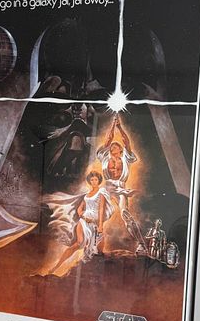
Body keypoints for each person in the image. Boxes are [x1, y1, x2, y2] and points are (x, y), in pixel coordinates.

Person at [97, 115, 147, 254]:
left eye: (116, 145)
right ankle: (95, 245)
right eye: (112, 146)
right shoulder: (105, 156)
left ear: (120, 149)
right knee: (98, 214)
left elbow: (126, 141)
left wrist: (119, 127)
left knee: (125, 214)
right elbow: (108, 139)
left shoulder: (125, 156)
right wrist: (113, 124)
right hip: (107, 187)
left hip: (120, 187)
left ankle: (141, 244)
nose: (113, 146)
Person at [48, 171, 114, 273]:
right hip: (84, 221)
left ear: (99, 181)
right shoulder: (87, 195)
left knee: (99, 249)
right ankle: (55, 267)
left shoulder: (101, 193)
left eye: (95, 180)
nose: (94, 182)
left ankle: (91, 270)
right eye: (92, 180)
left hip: (95, 222)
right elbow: (79, 209)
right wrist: (82, 215)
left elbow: (101, 209)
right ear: (89, 181)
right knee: (78, 243)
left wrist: (101, 225)